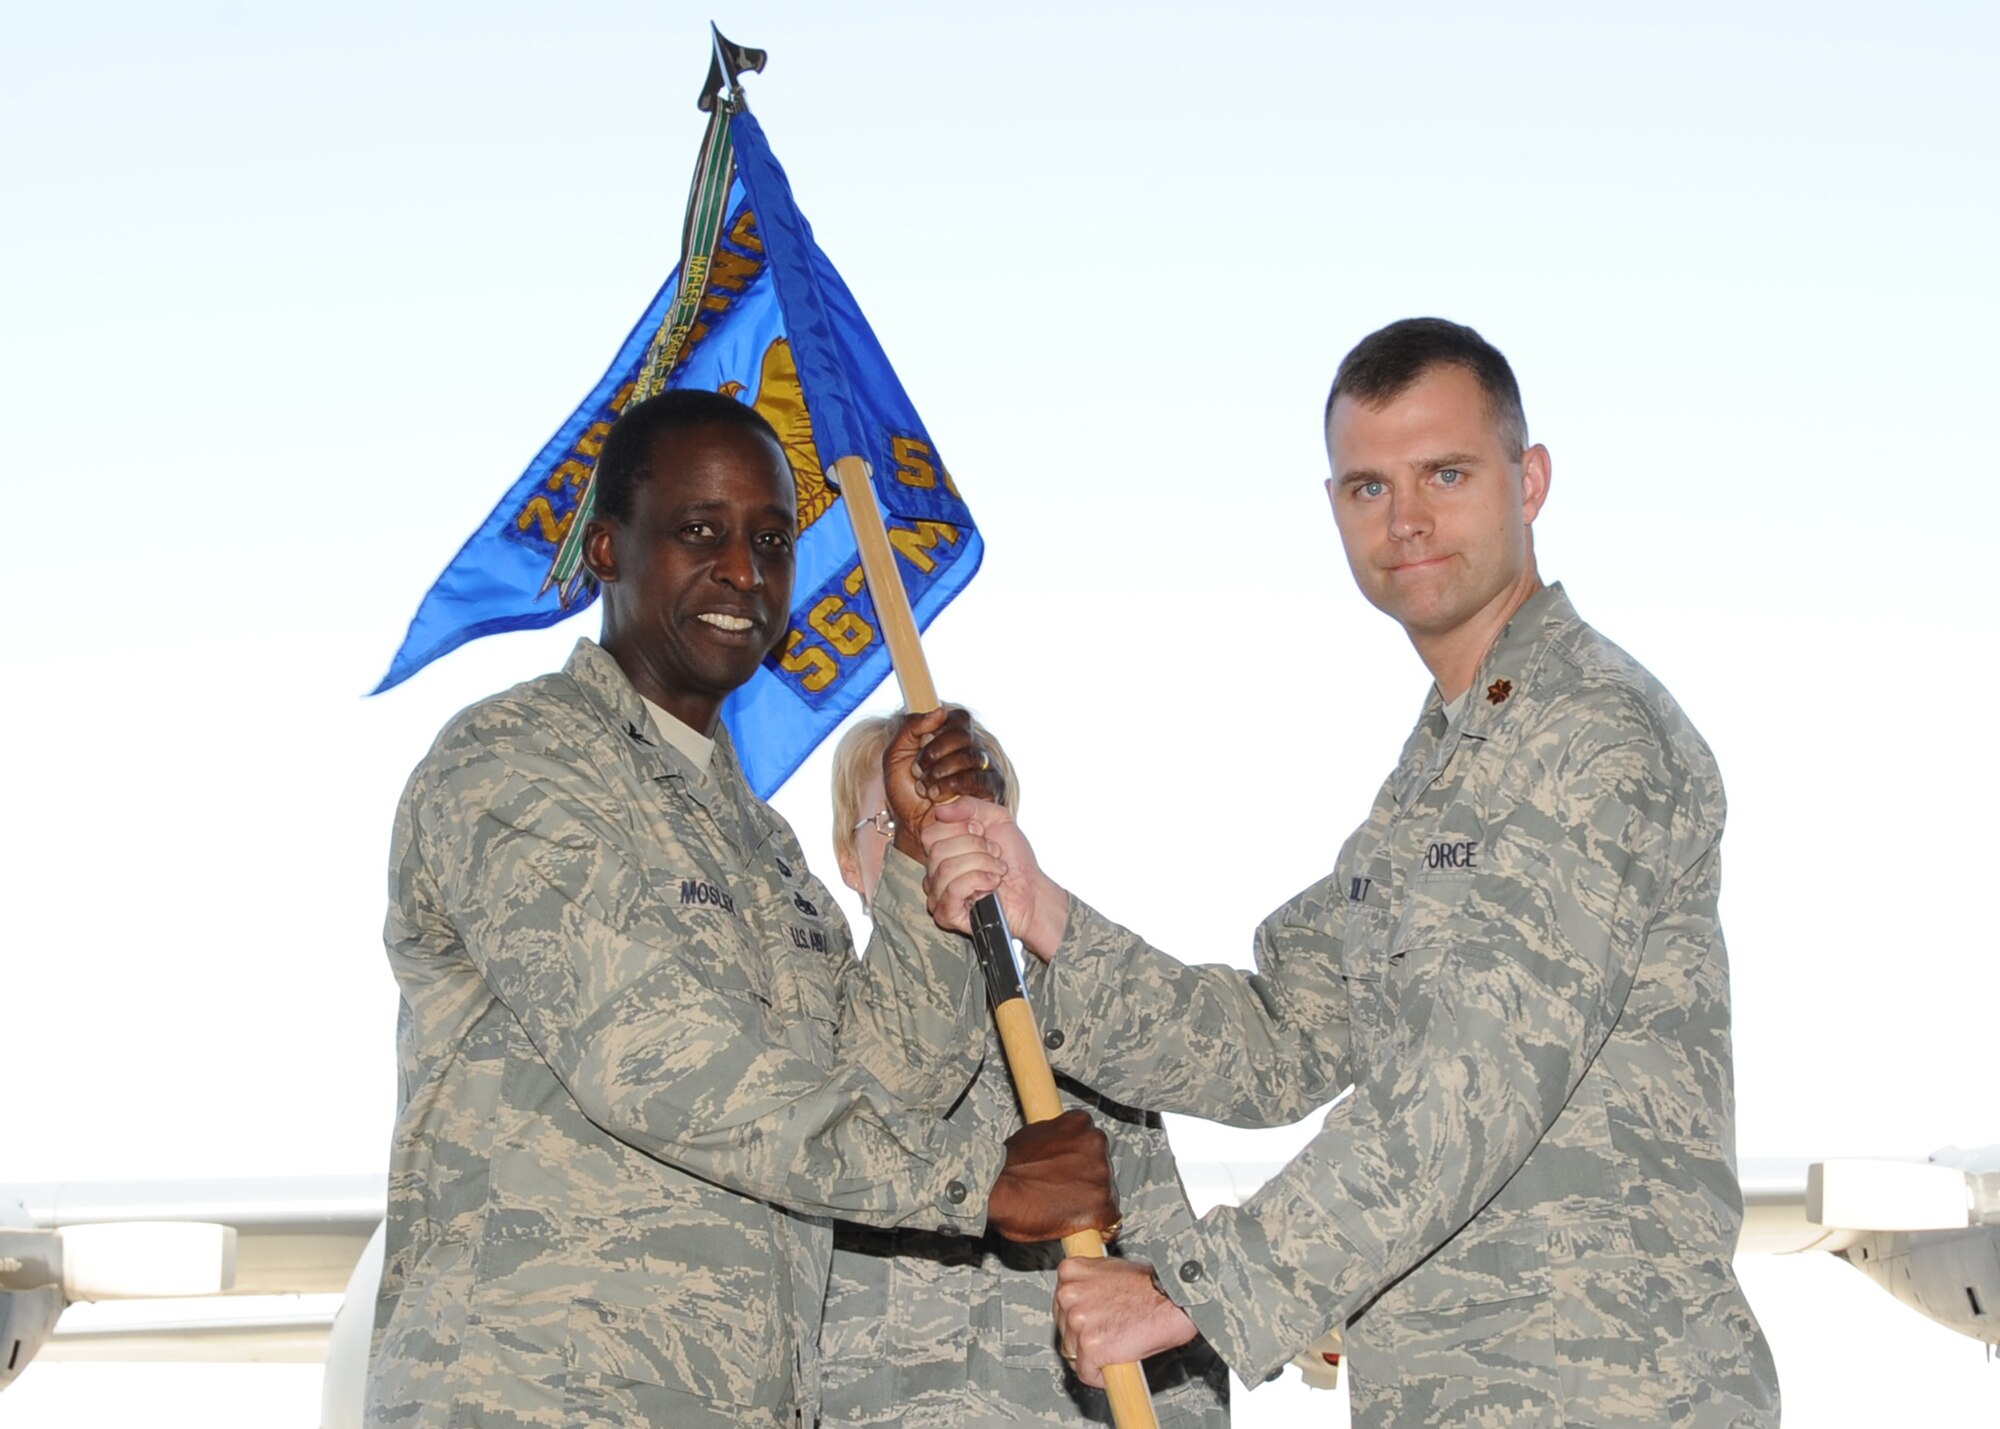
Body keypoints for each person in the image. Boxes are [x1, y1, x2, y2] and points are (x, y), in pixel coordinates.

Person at [919, 320, 1782, 1427]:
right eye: (1367, 487)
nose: (1406, 518)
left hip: (1605, 1392)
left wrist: (1189, 1292)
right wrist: (1045, 915)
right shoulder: (1438, 770)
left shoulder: (1588, 733)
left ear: (1530, 482)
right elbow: (1279, 1042)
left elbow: (1463, 1086)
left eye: (1445, 474)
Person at [367, 389, 1119, 1429]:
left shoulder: (755, 842)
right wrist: (973, 1184)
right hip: (538, 1391)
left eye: (770, 539)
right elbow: (653, 1057)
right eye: (697, 532)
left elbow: (875, 1083)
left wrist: (912, 860)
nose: (742, 571)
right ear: (603, 551)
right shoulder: (513, 762)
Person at [818, 716, 1231, 1427]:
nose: (933, 839)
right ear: (847, 859)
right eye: (895, 820)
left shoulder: (1085, 1046)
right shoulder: (807, 1045)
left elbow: (1165, 1307)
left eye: (962, 816)